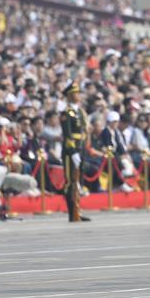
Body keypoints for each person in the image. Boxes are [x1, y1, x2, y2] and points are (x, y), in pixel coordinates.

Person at [60, 83, 90, 222]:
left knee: (79, 182)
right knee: (70, 182)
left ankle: (77, 210)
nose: (78, 95)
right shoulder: (67, 113)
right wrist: (73, 151)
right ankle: (72, 213)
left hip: (81, 147)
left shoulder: (80, 112)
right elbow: (68, 134)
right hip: (70, 150)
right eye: (76, 93)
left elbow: (84, 131)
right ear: (70, 95)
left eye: (79, 93)